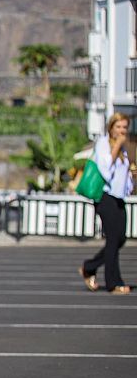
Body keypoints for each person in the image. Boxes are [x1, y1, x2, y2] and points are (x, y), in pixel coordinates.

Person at [79, 112, 133, 295]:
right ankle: (114, 282)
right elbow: (105, 170)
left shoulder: (124, 149)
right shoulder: (104, 144)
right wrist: (116, 146)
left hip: (119, 197)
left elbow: (124, 175)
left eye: (125, 127)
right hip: (105, 196)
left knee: (120, 239)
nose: (122, 131)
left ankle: (89, 267)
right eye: (118, 127)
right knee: (112, 240)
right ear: (111, 127)